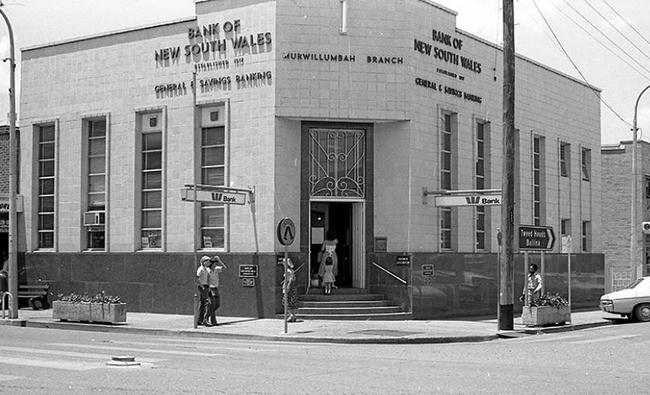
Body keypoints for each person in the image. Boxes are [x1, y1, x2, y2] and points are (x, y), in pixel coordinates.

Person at [206, 255, 226, 326]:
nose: (215, 265)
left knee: (217, 304)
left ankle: (206, 316)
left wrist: (219, 260)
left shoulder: (216, 269)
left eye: (216, 264)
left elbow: (224, 267)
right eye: (214, 264)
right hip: (210, 288)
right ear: (211, 264)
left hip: (216, 288)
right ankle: (212, 320)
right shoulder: (208, 271)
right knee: (212, 304)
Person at [196, 256, 212, 327]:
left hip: (205, 286)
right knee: (207, 303)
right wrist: (202, 287)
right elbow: (197, 278)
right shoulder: (201, 269)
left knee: (202, 304)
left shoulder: (206, 269)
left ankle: (200, 320)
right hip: (202, 286)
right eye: (207, 261)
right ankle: (204, 320)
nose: (208, 262)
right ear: (203, 262)